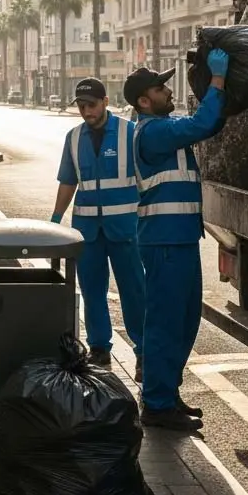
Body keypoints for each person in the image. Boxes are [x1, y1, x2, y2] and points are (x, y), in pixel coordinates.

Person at [125, 50, 228, 431]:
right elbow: (201, 124)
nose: (168, 91)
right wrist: (216, 80)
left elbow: (207, 123)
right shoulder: (152, 133)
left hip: (179, 238)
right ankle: (156, 403)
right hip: (164, 241)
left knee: (184, 320)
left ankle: (166, 393)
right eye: (160, 87)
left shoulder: (164, 129)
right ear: (143, 100)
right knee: (166, 322)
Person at [50, 77, 145, 369]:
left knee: (134, 290)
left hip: (126, 229)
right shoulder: (74, 137)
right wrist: (55, 220)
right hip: (87, 230)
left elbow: (146, 179)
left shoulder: (130, 133)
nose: (87, 112)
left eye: (91, 105)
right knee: (92, 291)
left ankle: (144, 350)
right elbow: (68, 181)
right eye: (81, 106)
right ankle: (99, 348)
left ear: (105, 102)